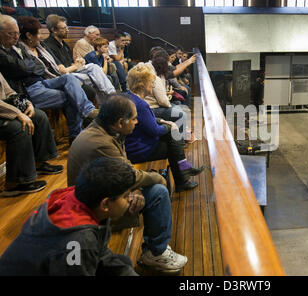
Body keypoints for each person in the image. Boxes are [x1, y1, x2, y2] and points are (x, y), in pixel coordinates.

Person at [67, 94, 188, 272]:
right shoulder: (101, 143)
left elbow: (123, 170)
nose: (137, 122)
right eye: (134, 119)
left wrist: (135, 189)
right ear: (120, 122)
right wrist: (157, 179)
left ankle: (154, 249)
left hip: (102, 192)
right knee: (158, 191)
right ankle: (156, 252)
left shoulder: (104, 130)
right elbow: (129, 174)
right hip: (96, 207)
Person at [0, 157, 139, 275]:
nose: (131, 199)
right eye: (126, 196)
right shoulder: (79, 241)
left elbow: (101, 253)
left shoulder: (79, 198)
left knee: (123, 264)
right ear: (105, 204)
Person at [0, 14, 97, 143]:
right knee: (71, 96)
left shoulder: (17, 47)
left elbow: (38, 65)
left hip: (41, 82)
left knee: (69, 79)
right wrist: (28, 66)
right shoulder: (2, 53)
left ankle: (88, 110)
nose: (16, 37)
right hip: (28, 89)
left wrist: (27, 66)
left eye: (17, 33)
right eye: (11, 34)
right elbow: (23, 67)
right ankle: (76, 136)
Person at [125, 63, 204, 192]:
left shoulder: (129, 97)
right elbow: (155, 131)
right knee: (173, 140)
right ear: (143, 83)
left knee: (172, 136)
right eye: (151, 82)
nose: (153, 84)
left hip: (133, 144)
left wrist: (163, 121)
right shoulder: (141, 105)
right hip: (139, 149)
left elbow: (147, 121)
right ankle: (183, 175)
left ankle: (183, 174)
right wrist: (170, 127)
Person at [0, 72, 62, 197]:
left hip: (5, 109)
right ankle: (15, 183)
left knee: (38, 116)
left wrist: (26, 103)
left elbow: (10, 92)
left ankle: (39, 162)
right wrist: (17, 113)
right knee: (19, 127)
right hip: (3, 112)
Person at [41, 15, 116, 101]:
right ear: (54, 30)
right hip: (63, 77)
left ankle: (112, 94)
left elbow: (71, 63)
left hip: (73, 72)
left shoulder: (64, 44)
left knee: (94, 67)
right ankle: (111, 101)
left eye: (67, 27)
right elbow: (60, 71)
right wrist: (76, 66)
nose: (67, 30)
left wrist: (79, 62)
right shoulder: (48, 46)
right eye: (64, 28)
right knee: (97, 79)